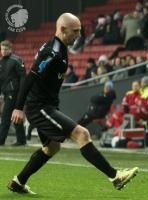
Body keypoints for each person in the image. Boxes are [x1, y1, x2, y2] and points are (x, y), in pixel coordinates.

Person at [8, 13, 138, 195]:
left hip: (47, 105)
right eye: (75, 31)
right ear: (62, 30)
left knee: (52, 147)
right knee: (82, 134)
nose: (78, 35)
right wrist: (18, 107)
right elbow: (31, 78)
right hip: (40, 108)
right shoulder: (52, 52)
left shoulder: (60, 48)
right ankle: (115, 176)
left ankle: (18, 182)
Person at [0, 40, 26, 146]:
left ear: (10, 49)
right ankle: (21, 140)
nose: (3, 51)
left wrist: (21, 92)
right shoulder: (1, 62)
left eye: (6, 49)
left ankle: (1, 140)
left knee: (6, 116)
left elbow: (23, 77)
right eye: (2, 49)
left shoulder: (16, 60)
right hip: (6, 93)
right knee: (14, 117)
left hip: (14, 92)